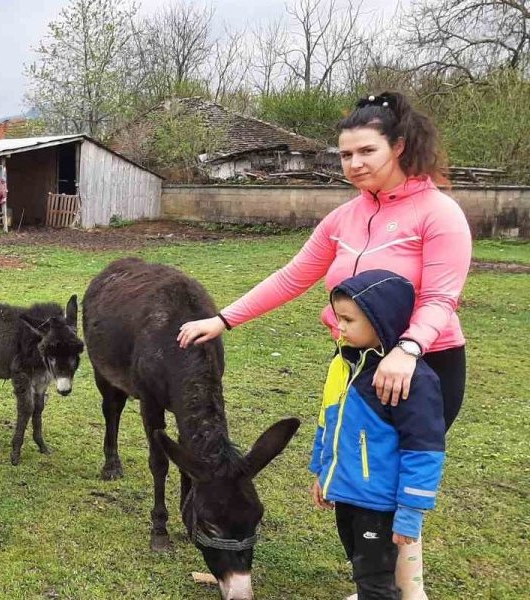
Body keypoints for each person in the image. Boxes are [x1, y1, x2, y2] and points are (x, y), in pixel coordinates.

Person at [176, 91, 470, 597]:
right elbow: (293, 276)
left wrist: (409, 349)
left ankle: (400, 588)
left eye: (367, 152)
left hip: (421, 367)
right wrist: (225, 318)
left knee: (392, 481)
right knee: (361, 481)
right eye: (345, 155)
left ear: (398, 147)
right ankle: (384, 582)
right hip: (355, 365)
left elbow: (443, 296)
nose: (354, 165)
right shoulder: (343, 218)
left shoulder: (438, 214)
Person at [310, 270, 444, 600]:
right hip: (348, 497)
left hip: (380, 506)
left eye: (348, 319)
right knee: (364, 569)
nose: (338, 327)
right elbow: (328, 423)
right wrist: (323, 474)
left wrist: (411, 512)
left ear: (380, 319)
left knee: (376, 585)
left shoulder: (411, 380)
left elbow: (424, 450)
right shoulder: (343, 363)